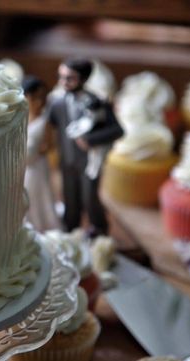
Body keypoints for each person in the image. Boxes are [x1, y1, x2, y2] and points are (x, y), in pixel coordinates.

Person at [46, 58, 123, 236]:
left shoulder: (97, 102)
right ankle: (70, 231)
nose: (63, 82)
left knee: (89, 198)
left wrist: (90, 139)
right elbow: (46, 124)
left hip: (89, 163)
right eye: (61, 77)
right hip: (67, 160)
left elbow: (117, 130)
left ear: (83, 79)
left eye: (69, 78)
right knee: (69, 197)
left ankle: (100, 229)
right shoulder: (57, 102)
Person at [23, 76, 61, 232]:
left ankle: (42, 226)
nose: (38, 102)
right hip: (23, 165)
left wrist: (37, 152)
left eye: (41, 98)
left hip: (37, 165)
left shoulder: (45, 121)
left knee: (39, 195)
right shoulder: (21, 118)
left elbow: (50, 144)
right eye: (34, 98)